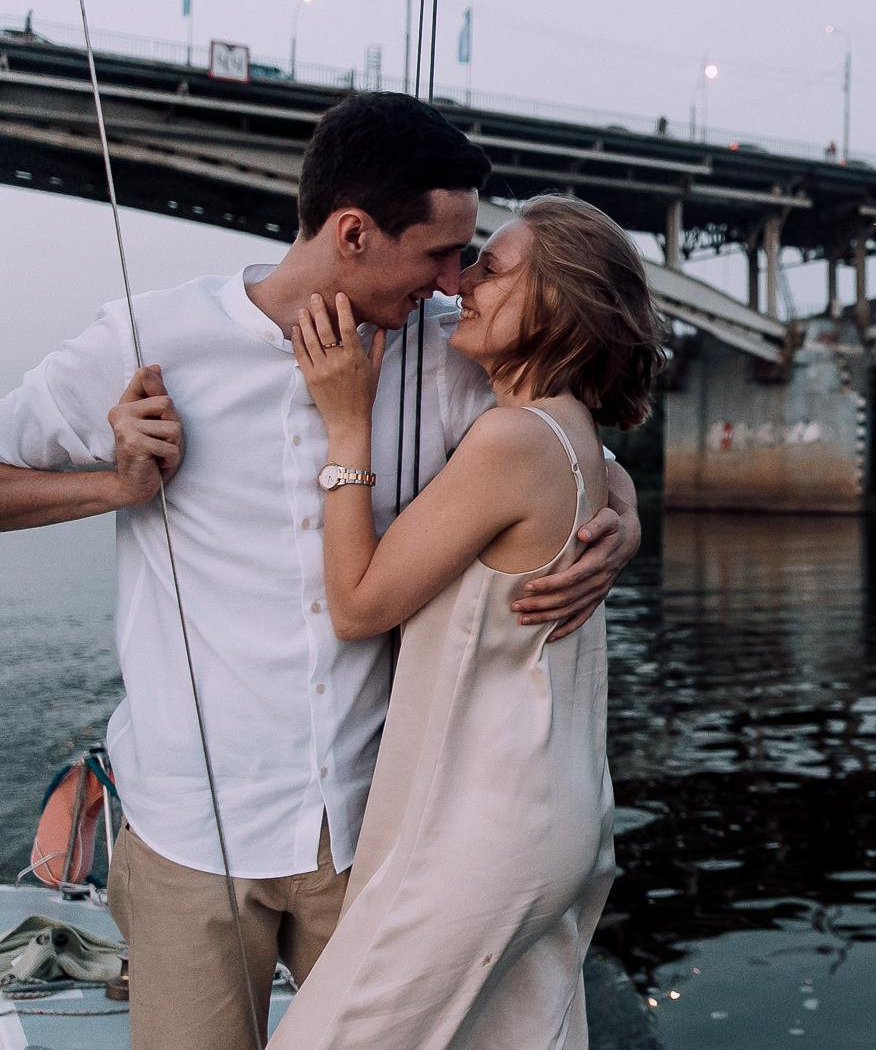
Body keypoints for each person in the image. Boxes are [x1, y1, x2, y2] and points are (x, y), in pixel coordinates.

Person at [0, 93, 642, 1050]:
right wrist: (115, 484)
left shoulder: (448, 358)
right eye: (438, 253)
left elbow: (557, 431)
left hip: (378, 830)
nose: (451, 282)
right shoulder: (150, 342)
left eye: (468, 261)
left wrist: (616, 514)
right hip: (194, 840)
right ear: (353, 233)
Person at [269, 193, 660, 1047]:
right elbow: (595, 482)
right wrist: (626, 511)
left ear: (555, 302)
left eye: (493, 266)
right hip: (552, 813)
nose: (464, 283)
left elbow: (358, 604)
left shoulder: (513, 439)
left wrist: (346, 430)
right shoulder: (571, 436)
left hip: (483, 837)